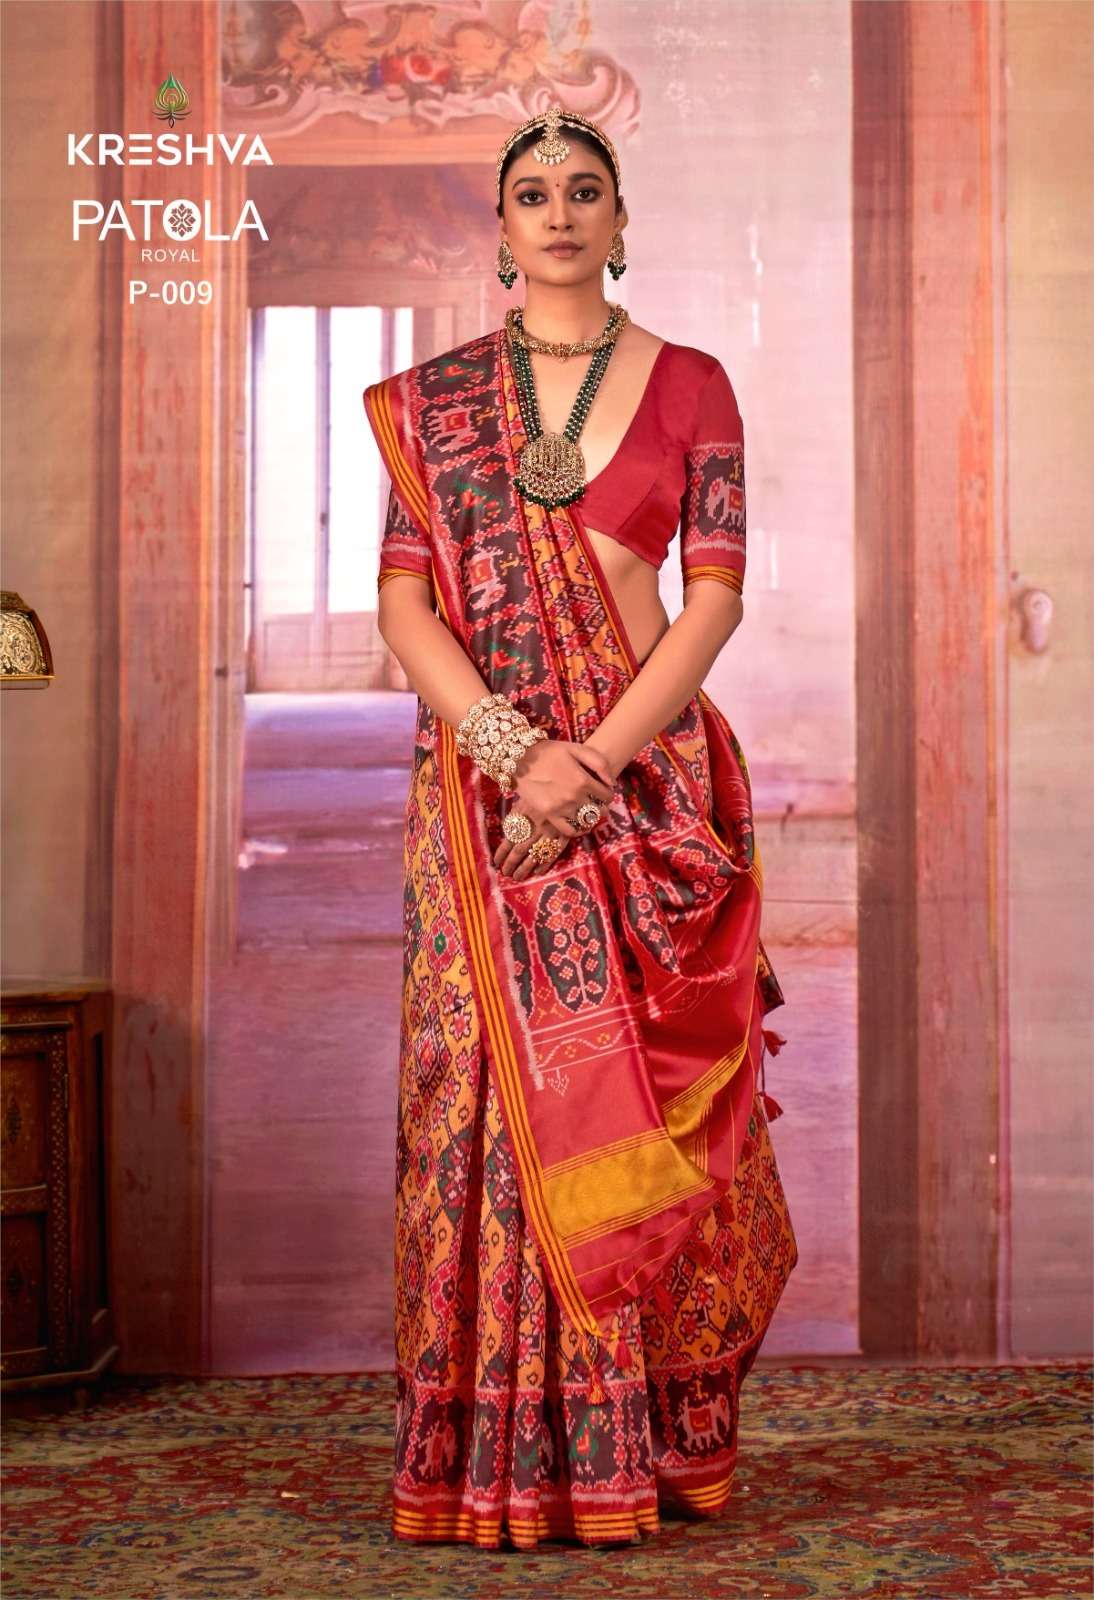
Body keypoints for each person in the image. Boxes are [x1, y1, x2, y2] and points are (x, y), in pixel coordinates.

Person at [361, 101, 797, 1552]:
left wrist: (591, 764)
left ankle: (638, 1443)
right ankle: (498, 1448)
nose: (558, 211)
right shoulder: (433, 405)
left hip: (639, 783)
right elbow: (405, 602)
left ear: (620, 217)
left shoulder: (694, 383)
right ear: (500, 228)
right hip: (483, 797)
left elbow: (716, 594)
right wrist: (510, 753)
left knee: (637, 1101)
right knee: (490, 1101)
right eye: (533, 192)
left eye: (584, 189)